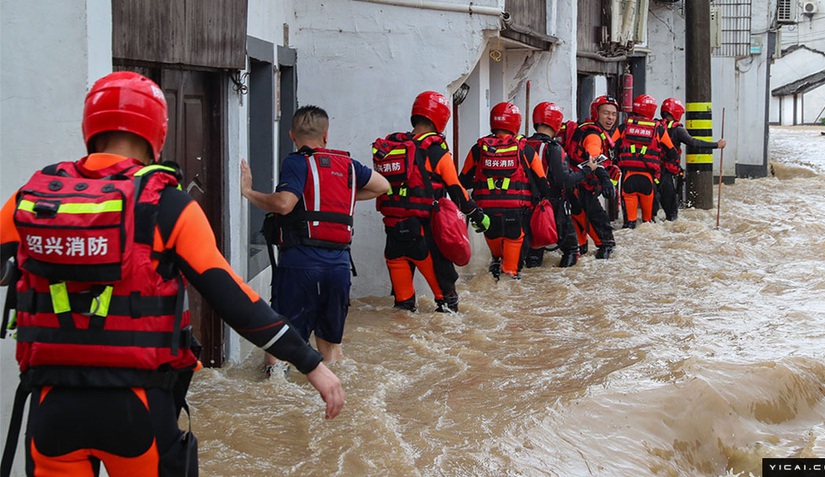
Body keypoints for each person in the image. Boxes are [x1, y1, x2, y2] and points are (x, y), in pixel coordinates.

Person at [0, 71, 344, 477]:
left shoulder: (33, 197)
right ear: (157, 131)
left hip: (50, 408)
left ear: (88, 126)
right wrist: (311, 363)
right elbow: (234, 300)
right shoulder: (169, 205)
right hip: (137, 409)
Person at [241, 105, 389, 372]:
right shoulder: (349, 165)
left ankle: (277, 401)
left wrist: (250, 193)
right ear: (326, 136)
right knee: (331, 348)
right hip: (339, 267)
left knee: (281, 343)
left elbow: (285, 204)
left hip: (300, 265)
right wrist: (338, 199)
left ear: (292, 135)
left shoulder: (296, 162)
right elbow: (383, 186)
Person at [371, 91, 489, 312]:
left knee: (403, 307)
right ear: (442, 118)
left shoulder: (392, 149)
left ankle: (404, 343)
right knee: (447, 302)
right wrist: (477, 215)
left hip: (393, 237)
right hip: (424, 236)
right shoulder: (435, 151)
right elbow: (457, 190)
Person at [459, 101, 549, 280]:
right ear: (516, 123)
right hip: (515, 215)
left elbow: (462, 181)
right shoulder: (525, 150)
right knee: (511, 272)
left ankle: (493, 275)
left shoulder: (478, 149)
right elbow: (543, 185)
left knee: (496, 262)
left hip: (485, 216)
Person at [524, 102, 600, 268]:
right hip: (553, 207)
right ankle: (562, 286)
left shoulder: (522, 145)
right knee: (572, 250)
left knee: (534, 252)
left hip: (525, 207)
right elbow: (564, 181)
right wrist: (587, 170)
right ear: (557, 122)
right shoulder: (554, 148)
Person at [563, 95, 619, 259]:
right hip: (581, 191)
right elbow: (594, 157)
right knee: (606, 242)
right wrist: (605, 179)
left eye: (614, 114)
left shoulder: (588, 130)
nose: (610, 118)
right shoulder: (593, 135)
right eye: (606, 113)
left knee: (577, 248)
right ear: (596, 113)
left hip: (575, 190)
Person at [657, 97, 727, 221]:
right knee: (672, 213)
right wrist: (716, 145)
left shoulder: (655, 126)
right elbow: (694, 143)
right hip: (666, 173)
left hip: (653, 171)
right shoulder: (677, 130)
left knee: (654, 209)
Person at [614, 94, 678, 228]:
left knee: (629, 225)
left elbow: (611, 144)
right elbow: (672, 152)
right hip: (648, 180)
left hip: (628, 178)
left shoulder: (624, 126)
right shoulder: (658, 129)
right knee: (647, 224)